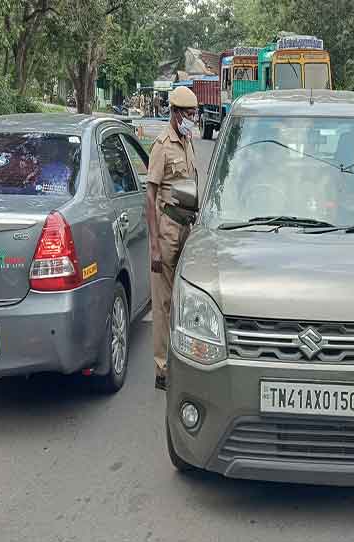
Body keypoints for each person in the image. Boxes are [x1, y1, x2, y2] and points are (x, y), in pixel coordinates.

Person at [146, 86, 199, 390]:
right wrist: (154, 245)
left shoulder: (188, 141)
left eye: (194, 114)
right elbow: (149, 197)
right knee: (163, 301)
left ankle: (183, 360)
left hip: (186, 228)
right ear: (176, 113)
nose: (193, 119)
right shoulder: (161, 146)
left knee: (184, 299)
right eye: (189, 115)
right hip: (166, 230)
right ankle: (162, 370)